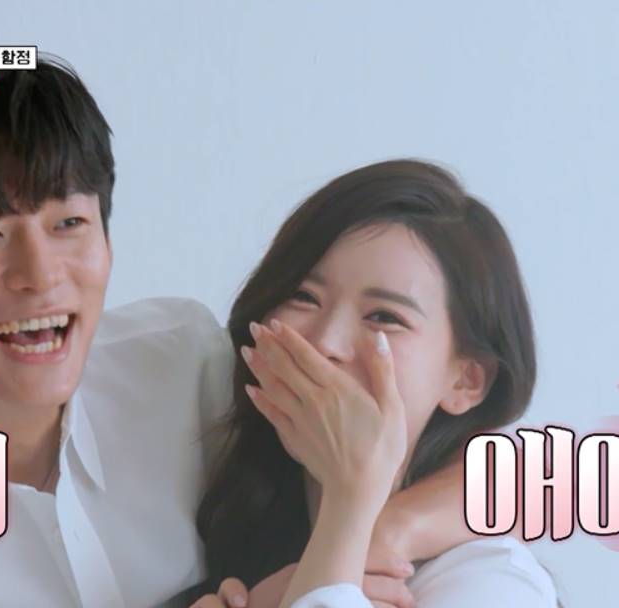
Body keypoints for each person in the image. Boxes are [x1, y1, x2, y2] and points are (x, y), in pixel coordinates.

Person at [0, 58, 466, 607]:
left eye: (70, 223)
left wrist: (382, 531)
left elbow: (489, 468)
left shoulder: (184, 361)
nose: (40, 275)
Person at [191, 160, 558, 607]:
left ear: (467, 380)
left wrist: (358, 508)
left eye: (385, 317)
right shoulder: (201, 457)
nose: (325, 343)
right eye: (303, 296)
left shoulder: (492, 584)